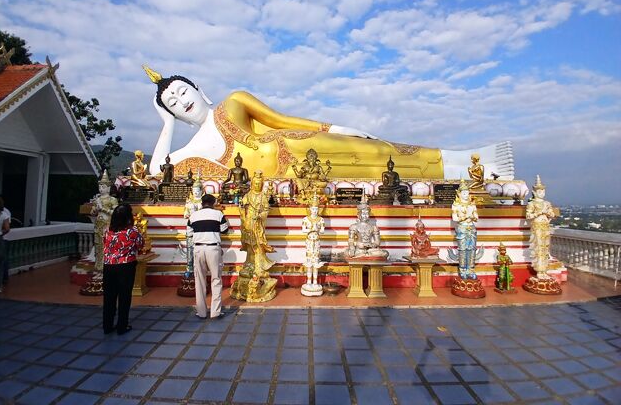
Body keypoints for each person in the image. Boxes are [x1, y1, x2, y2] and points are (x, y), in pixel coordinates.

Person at [143, 66, 515, 180]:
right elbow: (156, 172)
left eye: (180, 91)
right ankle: (466, 170)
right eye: (172, 103)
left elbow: (282, 120)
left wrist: (334, 128)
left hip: (306, 144)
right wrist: (165, 125)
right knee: (376, 175)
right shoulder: (188, 150)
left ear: (198, 88)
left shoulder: (233, 102)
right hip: (297, 181)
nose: (181, 101)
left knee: (379, 152)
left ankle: (466, 160)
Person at [102, 203, 144, 335]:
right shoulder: (132, 231)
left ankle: (107, 326)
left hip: (109, 266)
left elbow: (105, 243)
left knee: (109, 297)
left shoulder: (107, 230)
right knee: (124, 296)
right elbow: (140, 244)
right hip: (125, 266)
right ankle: (122, 325)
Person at [189, 193, 230, 319]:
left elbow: (189, 233)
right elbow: (225, 229)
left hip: (198, 248)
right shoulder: (218, 214)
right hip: (213, 248)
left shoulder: (193, 215)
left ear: (202, 203)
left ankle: (201, 312)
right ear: (213, 203)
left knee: (199, 280)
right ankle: (215, 312)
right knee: (216, 279)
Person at [449, 180, 480, 279]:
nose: (466, 195)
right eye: (464, 193)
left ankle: (471, 269)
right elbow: (455, 218)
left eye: (467, 193)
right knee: (462, 250)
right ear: (459, 194)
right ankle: (462, 269)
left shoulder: (472, 204)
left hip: (471, 228)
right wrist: (467, 215)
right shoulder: (456, 205)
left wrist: (471, 215)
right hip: (462, 228)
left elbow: (476, 217)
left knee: (472, 249)